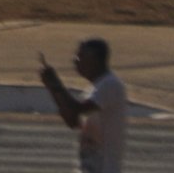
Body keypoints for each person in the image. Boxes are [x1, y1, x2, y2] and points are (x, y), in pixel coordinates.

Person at [40, 37, 127, 171]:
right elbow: (72, 120)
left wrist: (57, 85)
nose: (75, 61)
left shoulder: (110, 84)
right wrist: (52, 87)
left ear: (95, 60)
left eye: (81, 56)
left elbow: (76, 110)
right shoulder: (93, 89)